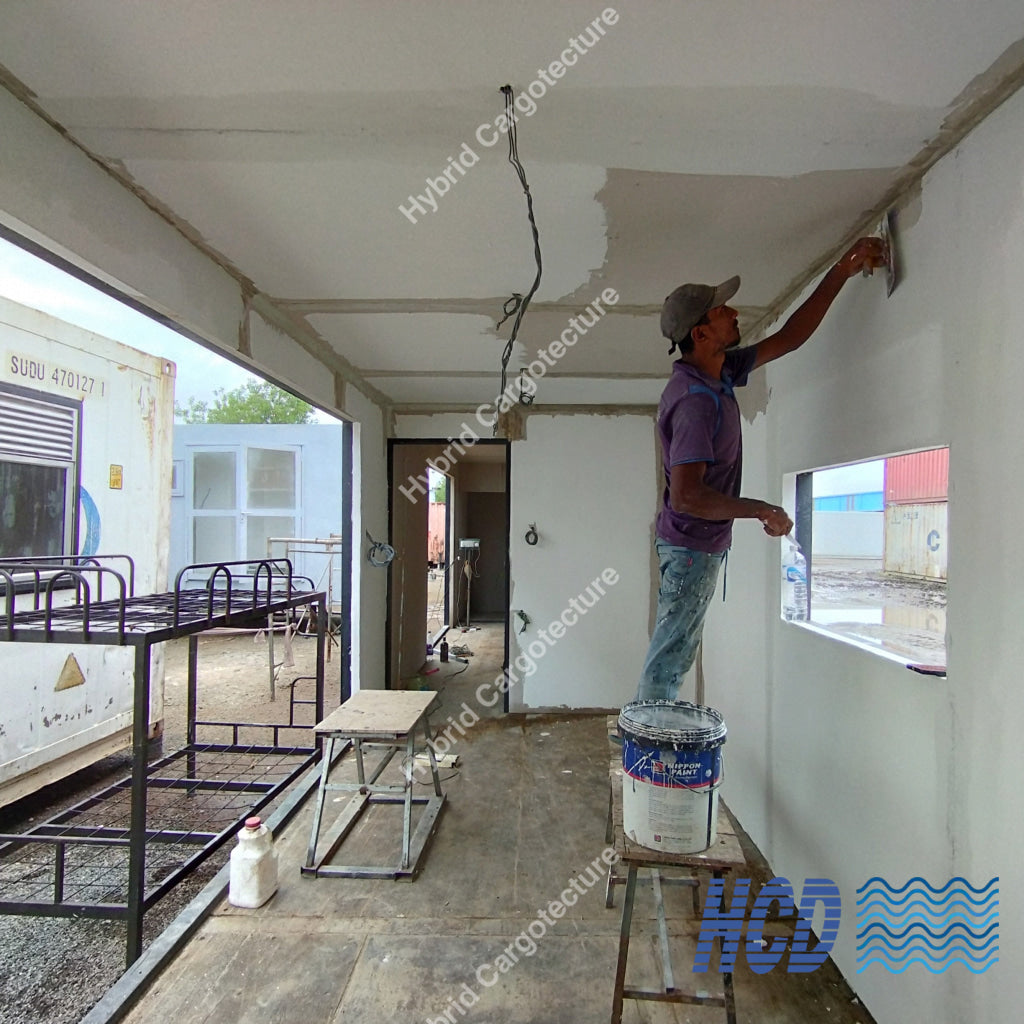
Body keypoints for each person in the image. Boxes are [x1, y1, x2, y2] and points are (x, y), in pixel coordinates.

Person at [634, 236, 888, 703]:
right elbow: (687, 496)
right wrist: (762, 509)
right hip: (691, 545)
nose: (733, 313)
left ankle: (650, 739)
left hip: (697, 544)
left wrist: (840, 271)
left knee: (677, 649)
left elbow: (789, 338)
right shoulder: (693, 402)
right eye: (721, 311)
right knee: (672, 654)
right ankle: (649, 754)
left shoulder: (719, 372)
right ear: (700, 334)